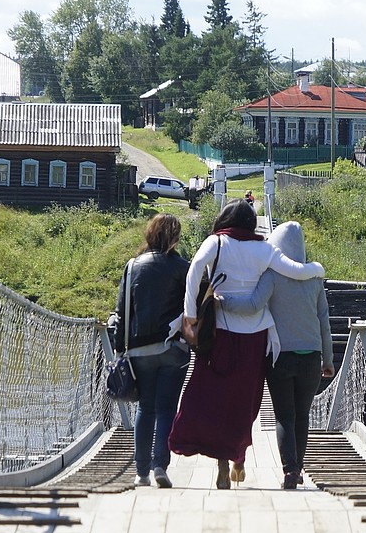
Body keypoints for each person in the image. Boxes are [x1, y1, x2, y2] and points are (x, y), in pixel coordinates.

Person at [168, 200, 325, 489]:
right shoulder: (264, 249)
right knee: (245, 400)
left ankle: (223, 462)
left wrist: (190, 315)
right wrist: (316, 268)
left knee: (215, 396)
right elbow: (295, 270)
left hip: (219, 335)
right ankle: (238, 454)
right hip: (255, 338)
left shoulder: (216, 243)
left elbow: (194, 270)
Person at [219, 221, 334, 489]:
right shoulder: (315, 278)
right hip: (311, 357)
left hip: (280, 356)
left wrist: (223, 303)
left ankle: (290, 471)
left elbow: (252, 305)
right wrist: (327, 360)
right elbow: (324, 321)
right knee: (302, 415)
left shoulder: (271, 276)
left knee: (285, 415)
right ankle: (298, 468)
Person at [113, 213, 190, 488]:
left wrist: (120, 349)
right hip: (172, 348)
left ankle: (141, 471)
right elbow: (192, 310)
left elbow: (122, 311)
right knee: (167, 407)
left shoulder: (132, 266)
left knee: (145, 407)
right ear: (175, 238)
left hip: (139, 350)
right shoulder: (183, 268)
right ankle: (161, 466)